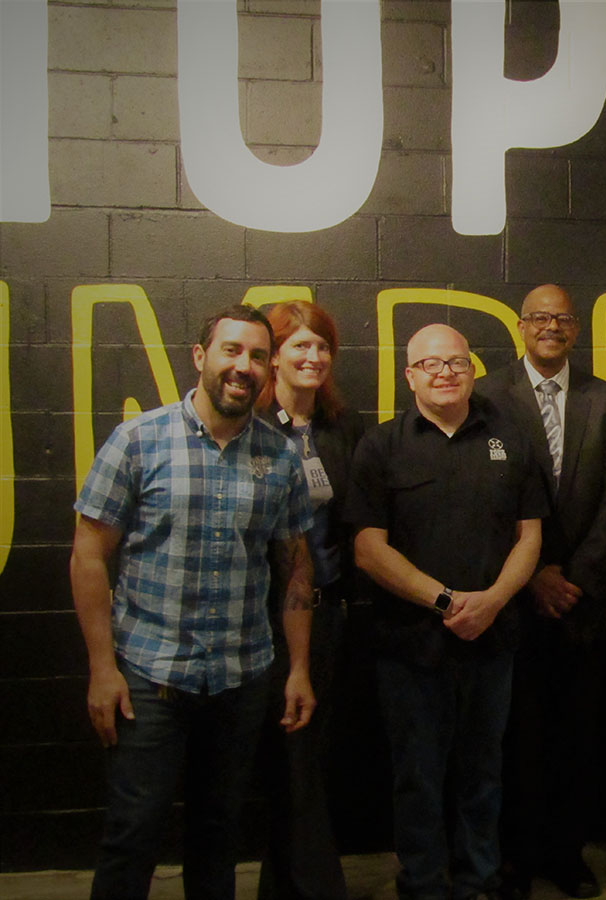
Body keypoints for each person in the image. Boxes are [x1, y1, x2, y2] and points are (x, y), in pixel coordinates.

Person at [70, 305, 316, 900]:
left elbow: (296, 565)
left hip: (240, 679)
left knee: (219, 835)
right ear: (201, 357)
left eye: (258, 355)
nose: (245, 366)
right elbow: (87, 555)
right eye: (231, 350)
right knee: (132, 836)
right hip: (151, 679)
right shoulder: (137, 439)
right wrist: (103, 669)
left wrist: (301, 668)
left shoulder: (281, 456)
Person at [344, 323, 547, 900]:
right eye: (431, 364)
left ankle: (479, 881)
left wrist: (493, 602)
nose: (445, 373)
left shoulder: (511, 437)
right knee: (418, 778)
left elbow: (529, 536)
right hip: (410, 645)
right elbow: (366, 548)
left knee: (483, 775)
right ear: (409, 375)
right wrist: (444, 601)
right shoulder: (381, 445)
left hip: (494, 639)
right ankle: (424, 884)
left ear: (472, 370)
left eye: (456, 363)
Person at [478, 285, 606, 900]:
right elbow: (484, 497)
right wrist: (534, 572)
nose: (551, 327)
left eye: (562, 318)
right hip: (513, 597)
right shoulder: (489, 393)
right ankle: (515, 858)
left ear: (575, 330)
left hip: (580, 600)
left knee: (577, 736)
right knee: (516, 737)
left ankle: (567, 856)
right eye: (539, 317)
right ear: (520, 327)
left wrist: (577, 576)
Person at [255, 301, 364, 900]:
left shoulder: (341, 428)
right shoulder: (252, 426)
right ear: (274, 357)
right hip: (267, 620)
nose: (313, 357)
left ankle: (286, 886)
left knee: (309, 759)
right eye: (299, 346)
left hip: (329, 613)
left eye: (321, 346)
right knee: (291, 760)